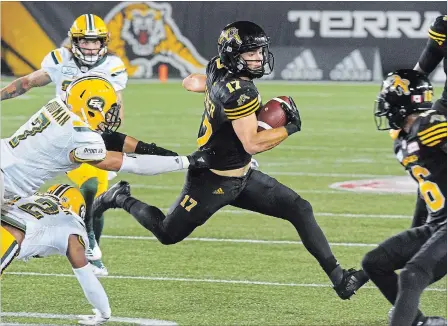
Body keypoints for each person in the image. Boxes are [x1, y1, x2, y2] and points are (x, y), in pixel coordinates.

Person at [93, 21, 369, 301]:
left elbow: (192, 80)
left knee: (300, 209)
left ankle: (340, 279)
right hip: (212, 180)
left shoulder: (218, 68)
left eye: (260, 51)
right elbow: (252, 143)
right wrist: (290, 128)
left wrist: (212, 89)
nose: (259, 58)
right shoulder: (240, 92)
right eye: (251, 53)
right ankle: (120, 197)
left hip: (242, 176)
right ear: (234, 55)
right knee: (167, 233)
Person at [0, 14, 130, 275]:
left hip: (88, 138)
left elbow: (117, 109)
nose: (91, 47)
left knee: (93, 191)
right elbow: (26, 82)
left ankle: (91, 248)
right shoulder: (61, 60)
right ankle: (35, 238)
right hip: (57, 138)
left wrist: (107, 119)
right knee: (20, 188)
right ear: (75, 41)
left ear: (104, 42)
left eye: (96, 42)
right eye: (85, 41)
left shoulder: (113, 66)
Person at [0, 75, 209, 210]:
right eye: (109, 108)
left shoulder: (58, 106)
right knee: (63, 217)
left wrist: (153, 150)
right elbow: (130, 163)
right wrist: (185, 162)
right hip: (5, 184)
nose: (112, 114)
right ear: (92, 107)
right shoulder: (80, 136)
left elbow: (110, 139)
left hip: (5, 165)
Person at [363, 69, 447, 326]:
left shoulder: (429, 126)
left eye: (387, 100)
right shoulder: (403, 141)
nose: (384, 107)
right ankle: (420, 322)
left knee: (412, 274)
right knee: (374, 262)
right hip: (438, 223)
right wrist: (420, 229)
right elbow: (426, 189)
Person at [1, 184, 111, 325]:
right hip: (8, 235)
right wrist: (104, 312)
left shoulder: (28, 196)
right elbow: (86, 276)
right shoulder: (72, 225)